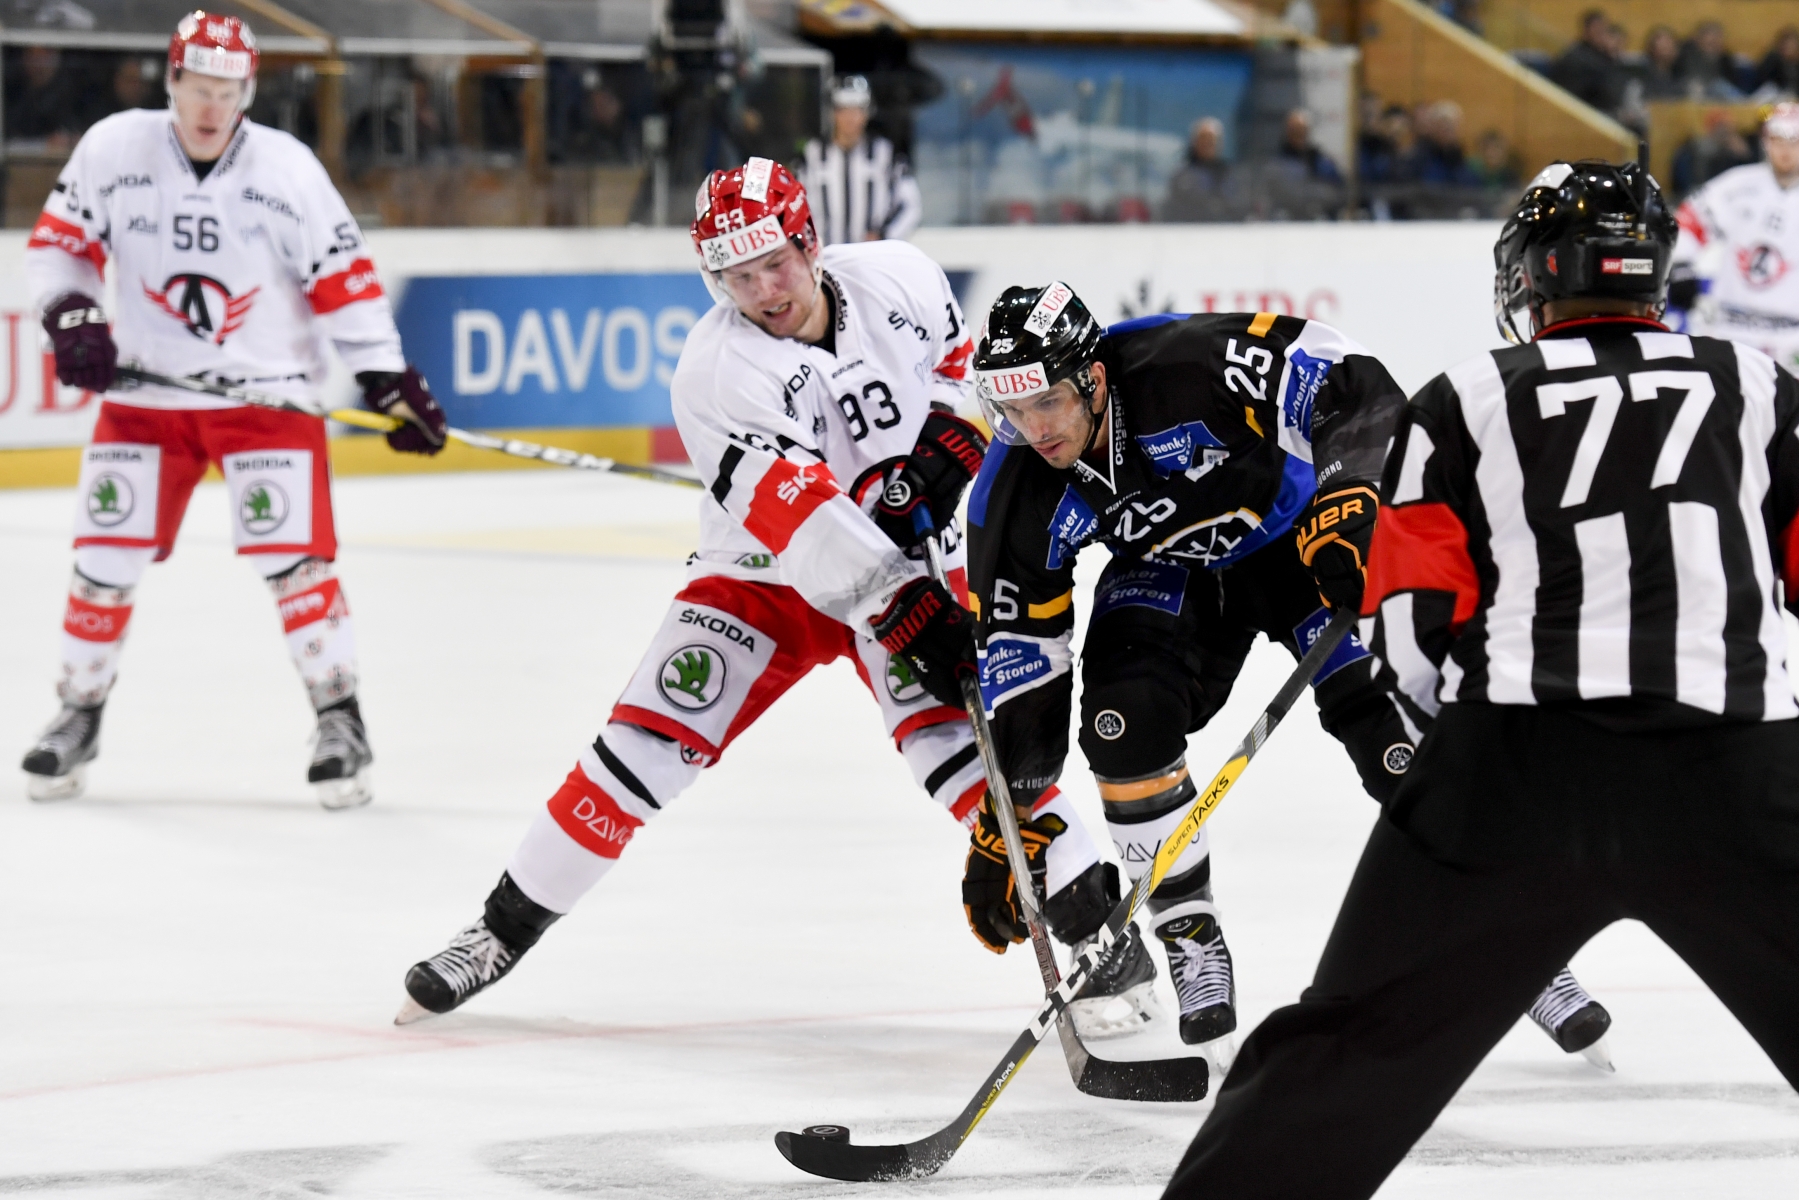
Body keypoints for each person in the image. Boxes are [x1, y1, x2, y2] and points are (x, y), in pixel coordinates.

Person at [1160, 156, 1799, 1200]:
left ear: (1533, 275)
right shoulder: (1761, 386)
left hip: (1513, 768)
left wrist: (1444, 776)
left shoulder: (1464, 395)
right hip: (1735, 760)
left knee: (1342, 1055)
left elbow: (1411, 627)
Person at [394, 159, 1106, 1026]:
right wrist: (903, 608)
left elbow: (958, 373)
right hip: (763, 577)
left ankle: (1098, 933)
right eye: (736, 274)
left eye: (773, 262)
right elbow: (805, 526)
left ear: (809, 242)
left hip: (913, 556)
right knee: (644, 745)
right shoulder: (715, 374)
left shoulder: (900, 276)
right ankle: (497, 931)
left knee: (968, 748)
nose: (762, 289)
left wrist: (939, 453)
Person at [888, 281, 1613, 1060]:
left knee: (1396, 734)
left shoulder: (1183, 363)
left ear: (1093, 378)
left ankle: (1514, 939)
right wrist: (1015, 806)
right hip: (1174, 577)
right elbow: (1024, 661)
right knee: (1121, 723)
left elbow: (1347, 379)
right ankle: (1187, 931)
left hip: (1299, 545)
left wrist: (1353, 494)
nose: (1032, 430)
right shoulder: (1014, 491)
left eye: (1046, 403)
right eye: (1011, 410)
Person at [17, 11, 448, 808]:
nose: (211, 108)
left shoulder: (286, 170)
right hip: (146, 397)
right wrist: (72, 312)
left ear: (248, 90)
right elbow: (60, 245)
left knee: (295, 567)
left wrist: (387, 376)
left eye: (228, 92)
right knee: (103, 562)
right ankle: (78, 714)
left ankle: (340, 721)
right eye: (198, 89)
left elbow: (343, 280)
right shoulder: (115, 148)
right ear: (171, 81)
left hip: (263, 399)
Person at [1671, 103, 1799, 375]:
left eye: (1794, 141)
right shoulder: (1738, 185)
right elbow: (1688, 222)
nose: (1786, 151)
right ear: (1765, 141)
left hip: (1792, 336)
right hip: (1731, 327)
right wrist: (1681, 265)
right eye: (1778, 140)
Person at [800, 74, 923, 246]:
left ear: (867, 113)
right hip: (825, 257)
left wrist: (885, 235)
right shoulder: (812, 154)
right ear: (833, 112)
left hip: (870, 259)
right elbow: (796, 206)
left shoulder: (885, 154)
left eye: (857, 110)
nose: (850, 118)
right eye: (843, 109)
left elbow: (910, 205)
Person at [1162, 117, 1245, 223]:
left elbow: (1237, 203)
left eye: (1211, 141)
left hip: (1225, 230)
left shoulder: (1229, 174)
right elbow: (1176, 208)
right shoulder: (1182, 175)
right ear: (1195, 142)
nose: (1207, 145)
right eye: (1203, 140)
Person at [1549, 9, 1626, 118]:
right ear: (1586, 31)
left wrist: (1611, 55)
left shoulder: (1601, 55)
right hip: (1582, 113)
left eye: (1604, 30)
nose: (1602, 35)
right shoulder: (1574, 57)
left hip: (1604, 110)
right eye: (1598, 30)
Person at [1757, 27, 1799, 99]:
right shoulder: (1773, 59)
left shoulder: (1796, 64)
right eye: (1786, 45)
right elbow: (1763, 80)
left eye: (1792, 45)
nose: (1789, 48)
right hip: (1772, 94)